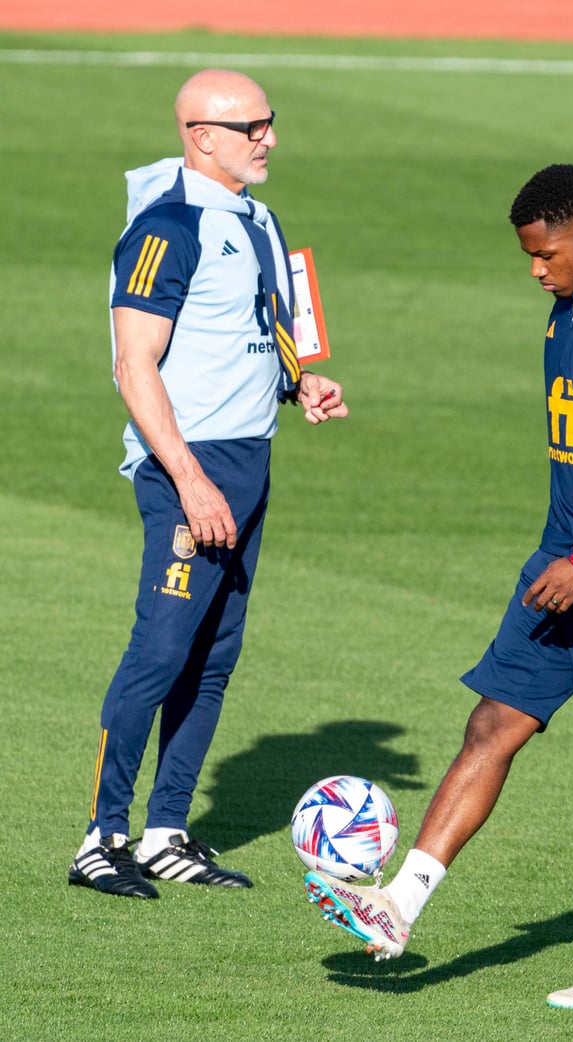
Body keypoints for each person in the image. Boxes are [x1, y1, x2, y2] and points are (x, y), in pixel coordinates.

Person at [304, 164, 573, 1009]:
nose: (535, 269)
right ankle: (397, 906)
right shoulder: (570, 309)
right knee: (491, 724)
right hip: (560, 565)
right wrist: (570, 558)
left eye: (546, 253)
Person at [69, 69, 348, 900]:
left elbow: (262, 324)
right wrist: (190, 481)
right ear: (201, 136)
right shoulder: (166, 227)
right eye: (251, 127)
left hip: (249, 461)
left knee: (214, 654)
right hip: (188, 468)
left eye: (269, 122)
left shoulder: (258, 218)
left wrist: (300, 383)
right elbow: (134, 365)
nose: (270, 139)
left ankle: (164, 832)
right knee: (160, 649)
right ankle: (100, 837)